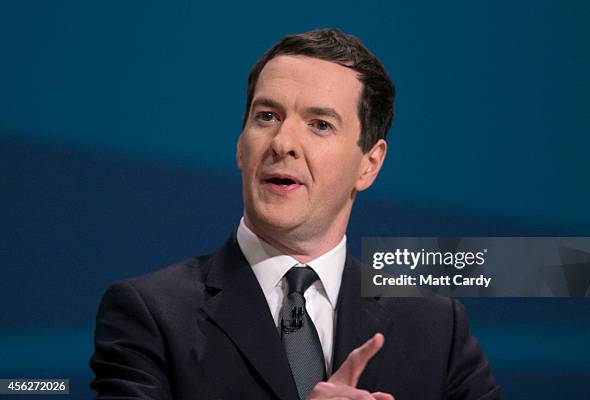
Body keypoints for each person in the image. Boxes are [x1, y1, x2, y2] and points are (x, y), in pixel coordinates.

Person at [90, 28, 500, 400]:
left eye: (320, 125)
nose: (282, 142)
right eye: (266, 117)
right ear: (240, 145)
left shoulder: (434, 327)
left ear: (368, 164)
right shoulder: (152, 314)